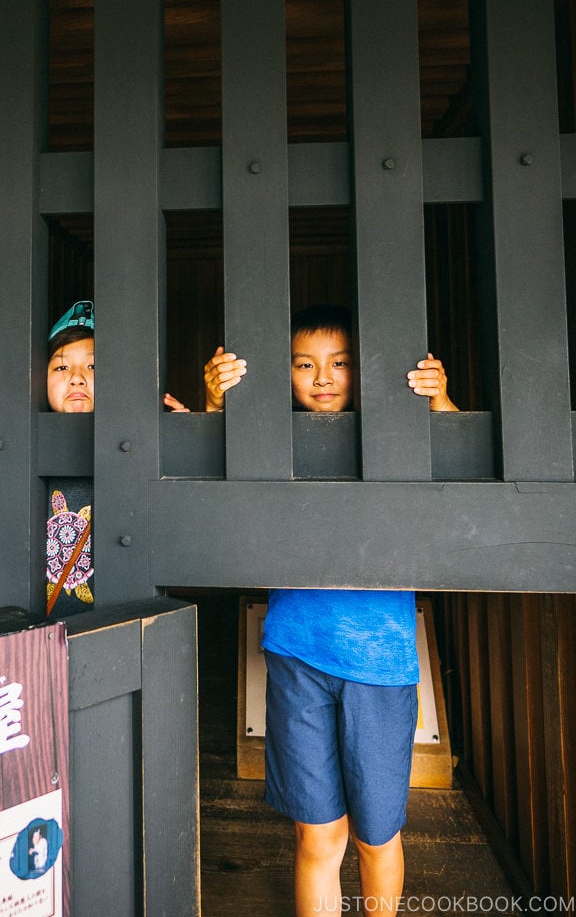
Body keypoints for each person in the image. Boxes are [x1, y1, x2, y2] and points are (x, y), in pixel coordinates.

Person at [198, 304, 457, 917]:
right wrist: (216, 407)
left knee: (377, 836)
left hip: (381, 663)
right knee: (318, 834)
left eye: (340, 363)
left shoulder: (397, 443)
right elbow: (212, 482)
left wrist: (439, 400)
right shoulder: (271, 443)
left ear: (364, 371)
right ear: (282, 375)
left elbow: (458, 472)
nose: (322, 377)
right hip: (297, 653)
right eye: (304, 364)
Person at [45, 300, 95, 619]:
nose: (76, 378)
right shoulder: (23, 450)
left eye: (93, 366)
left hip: (114, 630)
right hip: (40, 635)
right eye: (62, 367)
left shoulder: (140, 445)